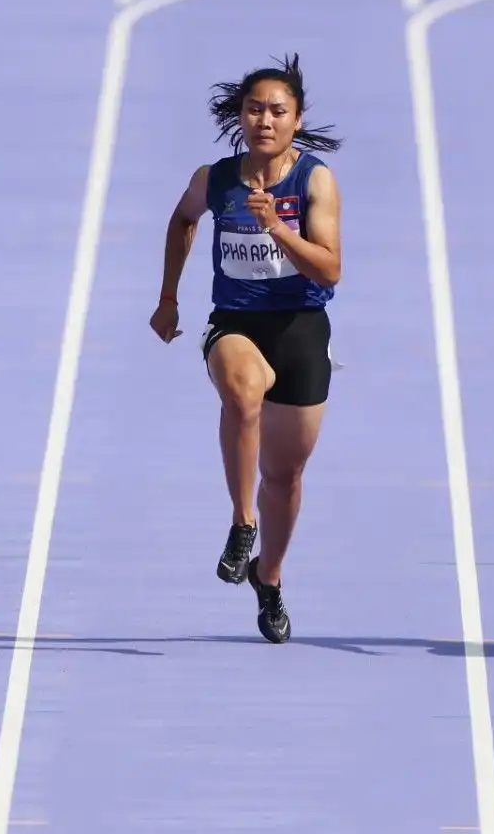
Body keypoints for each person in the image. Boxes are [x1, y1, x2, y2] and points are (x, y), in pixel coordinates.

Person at [149, 55, 342, 645]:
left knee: (285, 476)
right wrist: (168, 297)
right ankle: (241, 522)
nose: (265, 120)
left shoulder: (314, 181)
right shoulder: (216, 179)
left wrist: (280, 229)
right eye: (255, 109)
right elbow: (182, 221)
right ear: (240, 115)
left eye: (277, 111)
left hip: (302, 329)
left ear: (296, 120)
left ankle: (269, 575)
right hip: (234, 323)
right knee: (243, 389)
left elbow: (330, 270)